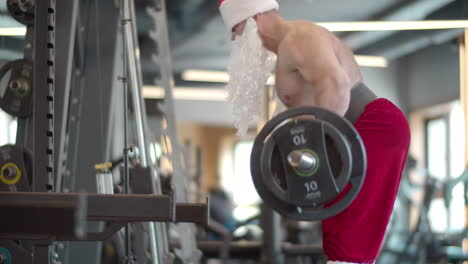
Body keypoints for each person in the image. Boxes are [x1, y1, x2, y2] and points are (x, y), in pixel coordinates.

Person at [217, 0, 411, 263]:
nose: (234, 36)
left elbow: (338, 87)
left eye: (235, 28)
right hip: (359, 130)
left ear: (252, 18)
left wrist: (311, 151)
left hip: (372, 128)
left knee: (347, 248)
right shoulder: (287, 50)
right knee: (340, 243)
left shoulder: (299, 37)